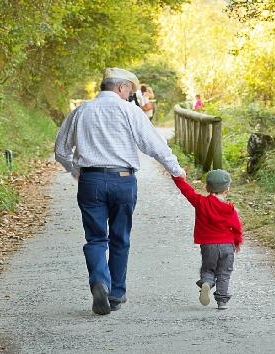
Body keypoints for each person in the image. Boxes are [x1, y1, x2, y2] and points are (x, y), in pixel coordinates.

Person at [55, 67, 186, 315]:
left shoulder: (81, 111)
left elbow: (61, 150)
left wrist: (76, 172)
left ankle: (99, 282)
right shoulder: (130, 111)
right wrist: (176, 170)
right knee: (120, 238)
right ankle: (116, 293)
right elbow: (154, 146)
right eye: (129, 90)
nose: (129, 95)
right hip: (123, 180)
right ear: (121, 87)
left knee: (95, 238)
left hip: (90, 181)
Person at [171, 169, 243, 310]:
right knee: (224, 272)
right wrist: (236, 242)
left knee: (208, 269)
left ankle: (207, 283)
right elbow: (237, 228)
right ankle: (222, 301)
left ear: (207, 187)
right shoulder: (230, 209)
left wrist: (177, 177)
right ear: (227, 189)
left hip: (208, 245)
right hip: (227, 246)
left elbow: (187, 191)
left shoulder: (200, 202)